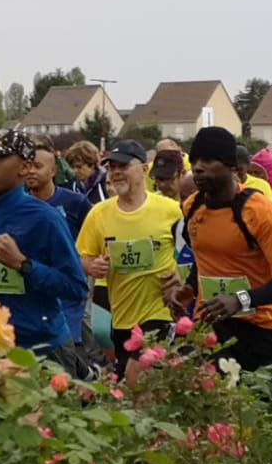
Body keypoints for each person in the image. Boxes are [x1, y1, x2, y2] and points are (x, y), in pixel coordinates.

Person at [175, 127, 272, 372]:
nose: (198, 167)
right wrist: (190, 288)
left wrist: (240, 300)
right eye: (194, 161)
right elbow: (205, 257)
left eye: (208, 160)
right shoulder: (192, 206)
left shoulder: (259, 211)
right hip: (214, 326)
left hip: (264, 333)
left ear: (232, 167)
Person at [0, 131, 88, 363]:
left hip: (44, 348)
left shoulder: (46, 218)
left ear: (24, 168)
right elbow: (5, 277)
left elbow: (77, 288)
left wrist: (23, 264)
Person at [75, 141, 183, 375]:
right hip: (122, 317)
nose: (116, 173)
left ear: (144, 170)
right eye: (112, 167)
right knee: (133, 387)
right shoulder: (99, 214)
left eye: (123, 166)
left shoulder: (171, 210)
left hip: (160, 312)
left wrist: (180, 276)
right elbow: (79, 258)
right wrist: (92, 266)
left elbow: (191, 255)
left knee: (141, 371)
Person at [27, 143, 93, 350]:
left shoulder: (76, 203)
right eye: (27, 166)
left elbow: (95, 236)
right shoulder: (19, 205)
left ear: (53, 171)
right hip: (33, 292)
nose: (31, 171)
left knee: (68, 352)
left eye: (37, 166)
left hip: (68, 292)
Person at [66, 141, 108, 206]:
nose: (75, 171)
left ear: (92, 164)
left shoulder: (107, 184)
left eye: (79, 167)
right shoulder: (74, 186)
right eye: (73, 167)